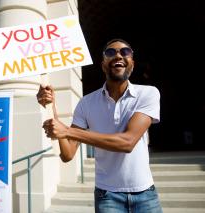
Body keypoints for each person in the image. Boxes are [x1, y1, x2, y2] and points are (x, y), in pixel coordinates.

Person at [37, 38, 163, 213]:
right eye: (110, 52)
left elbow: (127, 142)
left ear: (132, 64)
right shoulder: (86, 103)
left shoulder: (148, 93)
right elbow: (67, 154)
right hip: (107, 197)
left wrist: (67, 130)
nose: (118, 55)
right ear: (103, 65)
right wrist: (51, 107)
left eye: (125, 52)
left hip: (145, 194)